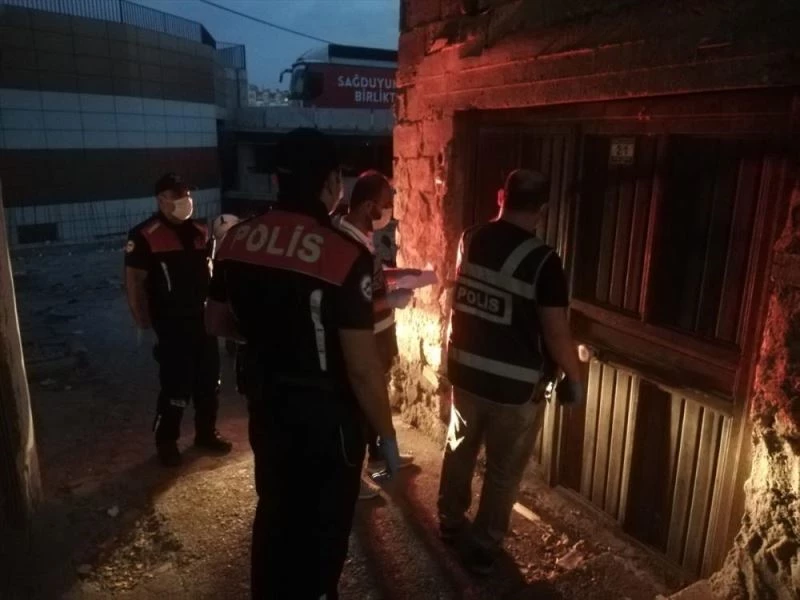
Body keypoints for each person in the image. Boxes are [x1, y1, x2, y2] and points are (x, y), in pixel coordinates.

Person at [205, 128, 403, 599]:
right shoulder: (344, 254)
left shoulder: (237, 239)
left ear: (277, 180)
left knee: (275, 510)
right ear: (332, 182)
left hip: (267, 405)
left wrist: (267, 335)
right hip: (327, 421)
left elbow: (215, 320)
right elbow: (362, 368)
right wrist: (386, 435)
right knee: (323, 527)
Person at [438, 169, 584, 575]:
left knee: (459, 448)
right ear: (542, 209)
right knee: (503, 470)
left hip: (467, 374)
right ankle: (484, 546)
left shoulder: (471, 238)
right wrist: (574, 378)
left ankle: (450, 520)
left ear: (501, 196)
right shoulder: (544, 262)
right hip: (515, 388)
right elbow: (556, 332)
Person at [124, 173, 232, 467]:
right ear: (161, 200)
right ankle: (166, 441)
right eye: (178, 195)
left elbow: (212, 270)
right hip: (171, 322)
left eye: (187, 194)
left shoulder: (200, 230)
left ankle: (206, 434)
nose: (186, 200)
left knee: (209, 381)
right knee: (176, 385)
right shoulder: (145, 235)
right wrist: (141, 318)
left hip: (203, 318)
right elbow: (134, 281)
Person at [333, 170, 416, 500]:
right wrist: (391, 301)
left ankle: (378, 456)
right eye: (386, 203)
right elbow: (352, 306)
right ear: (369, 206)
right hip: (363, 337)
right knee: (358, 403)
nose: (389, 211)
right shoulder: (346, 244)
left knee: (374, 396)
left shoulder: (362, 236)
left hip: (380, 332)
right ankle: (351, 477)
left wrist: (402, 277)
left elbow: (371, 280)